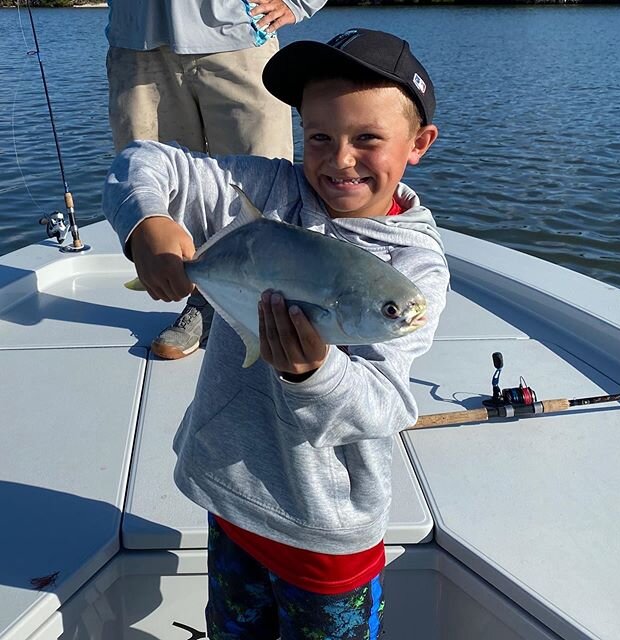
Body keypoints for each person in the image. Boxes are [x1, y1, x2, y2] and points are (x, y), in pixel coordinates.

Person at [102, 28, 450, 639]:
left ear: (418, 143)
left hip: (327, 537)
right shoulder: (265, 191)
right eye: (319, 136)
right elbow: (144, 161)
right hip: (230, 501)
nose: (339, 159)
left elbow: (383, 403)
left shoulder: (411, 273)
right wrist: (149, 223)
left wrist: (313, 374)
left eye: (367, 138)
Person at [105, 0, 326, 360]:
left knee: (264, 197)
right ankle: (202, 304)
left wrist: (298, 3)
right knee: (154, 185)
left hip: (240, 36)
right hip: (136, 41)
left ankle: (274, 314)